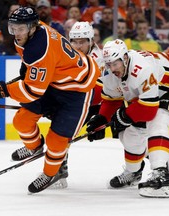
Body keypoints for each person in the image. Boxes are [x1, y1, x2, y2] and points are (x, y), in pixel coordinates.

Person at [0, 7, 100, 194]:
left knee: (57, 141)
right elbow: (35, 66)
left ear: (32, 27)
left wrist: (4, 90)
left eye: (21, 28)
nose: (16, 32)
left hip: (78, 90)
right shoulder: (35, 32)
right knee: (22, 120)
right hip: (55, 82)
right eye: (13, 27)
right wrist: (27, 68)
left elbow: (32, 91)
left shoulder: (40, 48)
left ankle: (51, 173)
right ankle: (35, 147)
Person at [86, 39, 169, 198]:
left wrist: (124, 115)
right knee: (130, 134)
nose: (112, 68)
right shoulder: (109, 73)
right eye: (109, 64)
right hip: (150, 92)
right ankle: (137, 172)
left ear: (125, 58)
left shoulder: (141, 68)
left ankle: (161, 177)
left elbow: (149, 110)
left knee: (158, 120)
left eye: (116, 63)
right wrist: (101, 119)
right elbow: (112, 100)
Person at [50, 21, 104, 189]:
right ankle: (59, 168)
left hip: (102, 102)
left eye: (82, 42)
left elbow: (93, 90)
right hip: (84, 99)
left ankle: (168, 162)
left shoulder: (97, 59)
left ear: (91, 41)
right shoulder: (70, 53)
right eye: (75, 41)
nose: (78, 45)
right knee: (61, 129)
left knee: (133, 134)